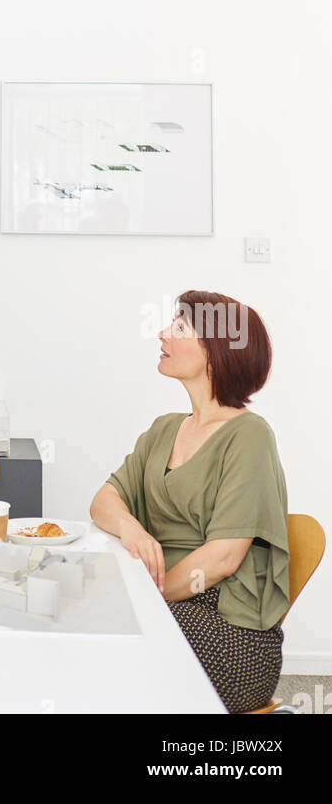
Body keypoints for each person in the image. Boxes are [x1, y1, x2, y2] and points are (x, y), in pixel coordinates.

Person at [89, 291, 289, 713]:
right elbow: (105, 500)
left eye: (180, 327)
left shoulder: (249, 435)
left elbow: (222, 559)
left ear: (216, 353)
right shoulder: (164, 429)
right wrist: (131, 527)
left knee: (99, 630)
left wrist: (144, 598)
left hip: (230, 633)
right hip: (168, 607)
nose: (162, 333)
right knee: (82, 613)